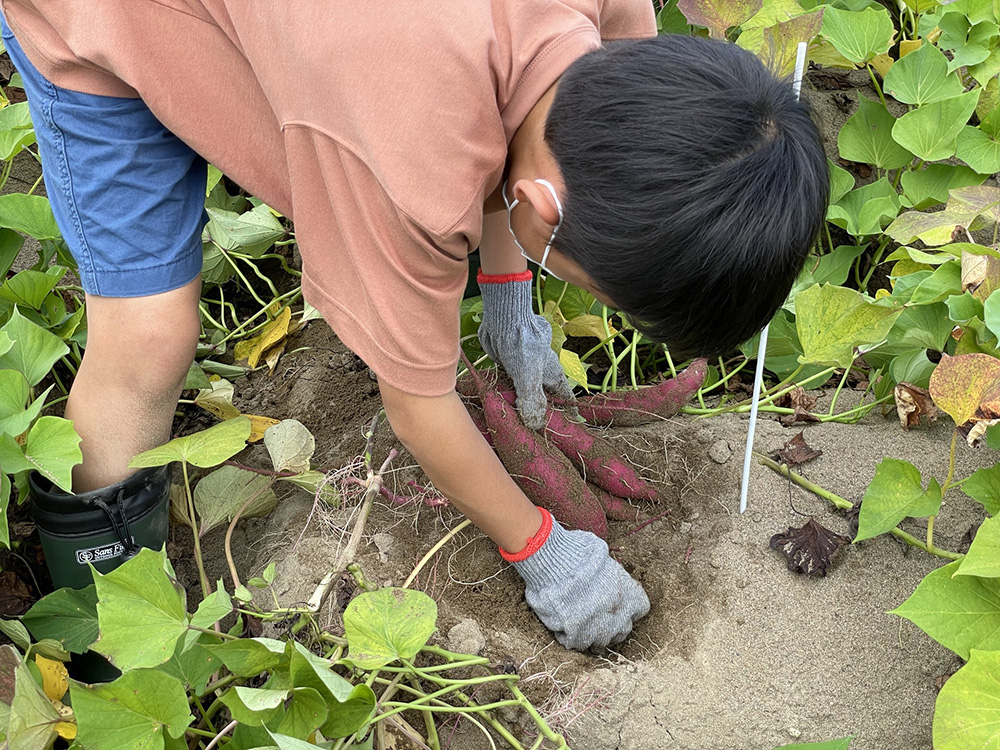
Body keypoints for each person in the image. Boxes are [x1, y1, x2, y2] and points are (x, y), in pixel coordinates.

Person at [0, 0, 828, 651]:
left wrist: (510, 291)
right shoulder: (408, 164)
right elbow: (418, 402)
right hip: (117, 20)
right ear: (543, 210)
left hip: (324, 38)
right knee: (150, 338)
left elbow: (537, 134)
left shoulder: (625, 48)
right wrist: (542, 549)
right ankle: (105, 622)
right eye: (593, 285)